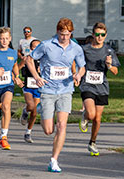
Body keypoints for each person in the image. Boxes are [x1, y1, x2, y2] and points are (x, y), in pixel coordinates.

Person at [25, 18, 87, 173]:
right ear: (57, 31)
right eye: (62, 34)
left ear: (71, 33)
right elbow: (29, 59)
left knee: (62, 125)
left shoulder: (76, 48)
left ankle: (54, 160)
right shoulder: (46, 45)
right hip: (48, 90)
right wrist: (37, 77)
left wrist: (78, 75)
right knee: (48, 130)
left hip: (66, 90)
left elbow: (82, 67)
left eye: (67, 34)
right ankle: (40, 108)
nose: (64, 37)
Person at [79, 22, 120, 156]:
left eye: (102, 35)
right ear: (93, 35)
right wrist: (77, 74)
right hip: (87, 85)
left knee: (97, 118)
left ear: (105, 35)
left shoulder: (109, 51)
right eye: (97, 34)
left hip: (102, 87)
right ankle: (85, 117)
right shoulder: (85, 49)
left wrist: (109, 65)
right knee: (91, 114)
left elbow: (115, 71)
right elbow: (76, 63)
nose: (100, 37)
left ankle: (92, 142)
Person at [18, 39, 42, 143]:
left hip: (38, 88)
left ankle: (28, 132)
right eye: (33, 47)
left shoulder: (44, 60)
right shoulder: (27, 59)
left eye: (38, 47)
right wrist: (17, 78)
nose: (36, 49)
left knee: (34, 113)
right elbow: (17, 68)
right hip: (28, 86)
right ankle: (25, 111)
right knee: (31, 106)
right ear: (30, 49)